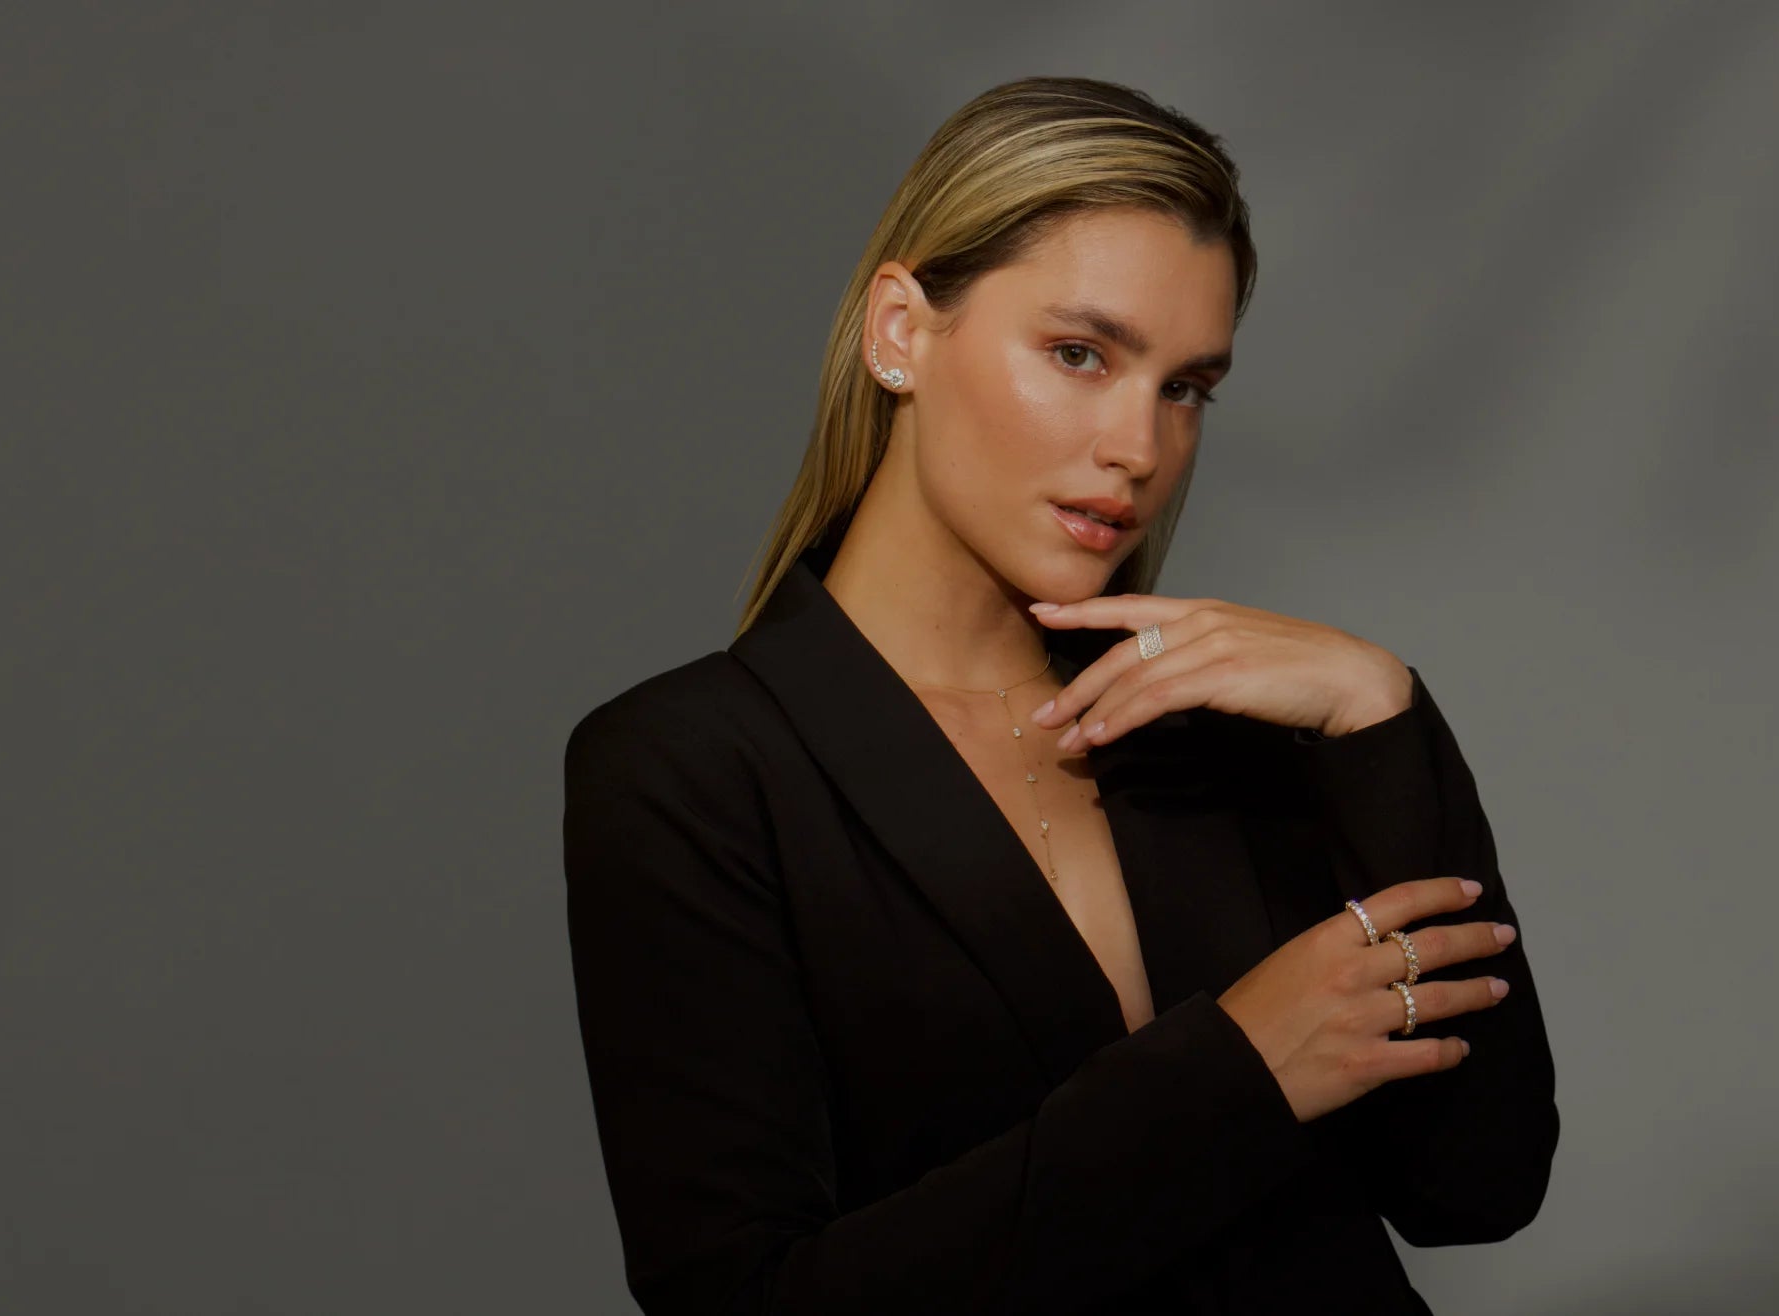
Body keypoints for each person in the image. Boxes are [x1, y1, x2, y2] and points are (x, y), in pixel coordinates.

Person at [560, 75, 1556, 1314]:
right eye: (1081, 354)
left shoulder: (1229, 730)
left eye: (1186, 387)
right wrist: (1235, 1073)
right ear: (900, 332)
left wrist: (1379, 709)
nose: (1139, 447)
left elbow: (1478, 1184)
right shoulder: (693, 769)